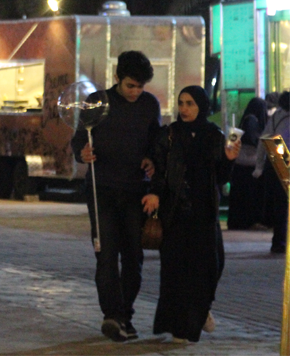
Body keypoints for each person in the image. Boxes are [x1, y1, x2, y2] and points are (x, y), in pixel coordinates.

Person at [70, 51, 161, 342]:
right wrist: (82, 153)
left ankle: (125, 315)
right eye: (130, 85)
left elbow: (156, 142)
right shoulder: (98, 102)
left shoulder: (149, 105)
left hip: (136, 191)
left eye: (140, 87)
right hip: (102, 190)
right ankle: (112, 315)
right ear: (117, 78)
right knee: (106, 254)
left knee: (133, 257)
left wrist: (151, 159)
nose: (135, 92)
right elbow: (79, 138)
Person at [142, 86, 238, 343]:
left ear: (202, 107)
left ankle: (201, 310)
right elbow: (159, 169)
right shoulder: (169, 135)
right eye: (181, 103)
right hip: (175, 211)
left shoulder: (214, 135)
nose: (184, 109)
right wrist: (155, 194)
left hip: (205, 213)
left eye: (190, 104)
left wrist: (229, 159)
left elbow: (220, 178)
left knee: (210, 267)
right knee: (176, 272)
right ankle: (180, 329)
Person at [254, 91, 290, 253]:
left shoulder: (276, 116)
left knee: (280, 204)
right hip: (286, 159)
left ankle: (278, 241)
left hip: (275, 158)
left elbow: (264, 140)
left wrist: (259, 166)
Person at [228, 97, 267, 230]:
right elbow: (252, 139)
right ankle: (248, 222)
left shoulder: (243, 121)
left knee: (239, 196)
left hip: (239, 164)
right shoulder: (252, 120)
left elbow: (232, 141)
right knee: (250, 196)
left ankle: (237, 222)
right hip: (249, 164)